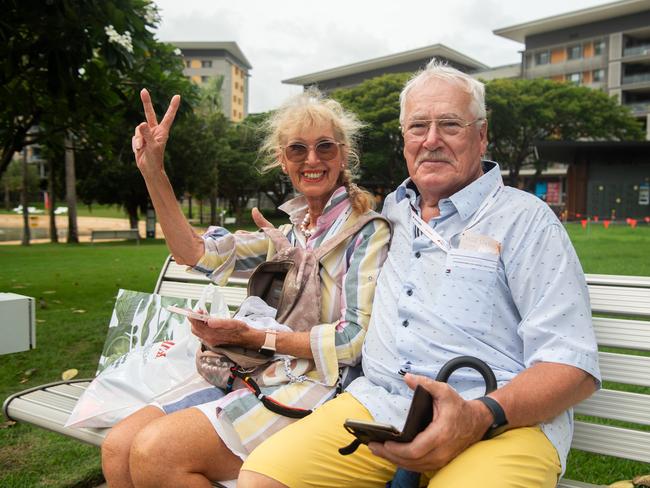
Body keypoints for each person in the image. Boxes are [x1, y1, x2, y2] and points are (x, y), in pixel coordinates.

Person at [237, 60, 601, 488]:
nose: (431, 140)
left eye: (450, 124)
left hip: (497, 420)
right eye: (417, 127)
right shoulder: (392, 212)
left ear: (481, 135)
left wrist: (481, 415)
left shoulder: (526, 221)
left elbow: (571, 365)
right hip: (382, 408)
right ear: (404, 139)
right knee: (262, 480)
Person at [100, 88, 391, 487]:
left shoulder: (366, 231)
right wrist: (154, 173)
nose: (312, 159)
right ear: (281, 160)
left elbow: (355, 339)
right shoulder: (288, 233)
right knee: (117, 448)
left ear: (343, 154)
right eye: (297, 150)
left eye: (325, 147)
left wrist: (255, 336)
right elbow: (194, 252)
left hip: (319, 386)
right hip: (257, 371)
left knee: (156, 453)